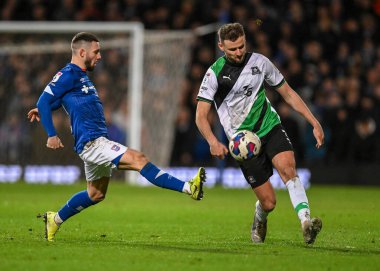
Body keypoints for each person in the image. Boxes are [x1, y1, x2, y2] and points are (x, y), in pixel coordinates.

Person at [27, 32, 206, 242]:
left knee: (95, 194)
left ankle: (54, 220)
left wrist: (50, 108)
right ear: (82, 52)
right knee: (139, 159)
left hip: (94, 142)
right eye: (97, 51)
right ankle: (188, 187)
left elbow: (62, 101)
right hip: (93, 142)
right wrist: (51, 134)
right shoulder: (68, 74)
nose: (100, 56)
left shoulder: (80, 76)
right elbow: (43, 101)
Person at [195, 23, 324, 244]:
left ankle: (306, 222)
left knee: (288, 169)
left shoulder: (260, 63)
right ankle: (259, 216)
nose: (238, 52)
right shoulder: (214, 74)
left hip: (269, 126)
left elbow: (288, 93)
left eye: (241, 46)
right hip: (243, 143)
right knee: (269, 203)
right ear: (221, 47)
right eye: (232, 49)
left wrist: (313, 122)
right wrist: (212, 141)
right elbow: (200, 115)